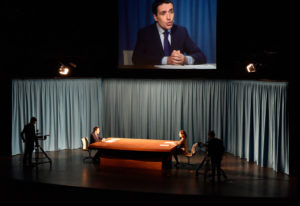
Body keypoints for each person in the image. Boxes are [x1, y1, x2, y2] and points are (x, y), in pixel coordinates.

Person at [132, 0, 206, 65]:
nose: (169, 17)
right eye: (163, 13)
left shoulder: (181, 31)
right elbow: (136, 59)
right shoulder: (145, 33)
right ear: (155, 17)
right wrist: (166, 60)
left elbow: (201, 56)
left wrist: (185, 59)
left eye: (171, 11)